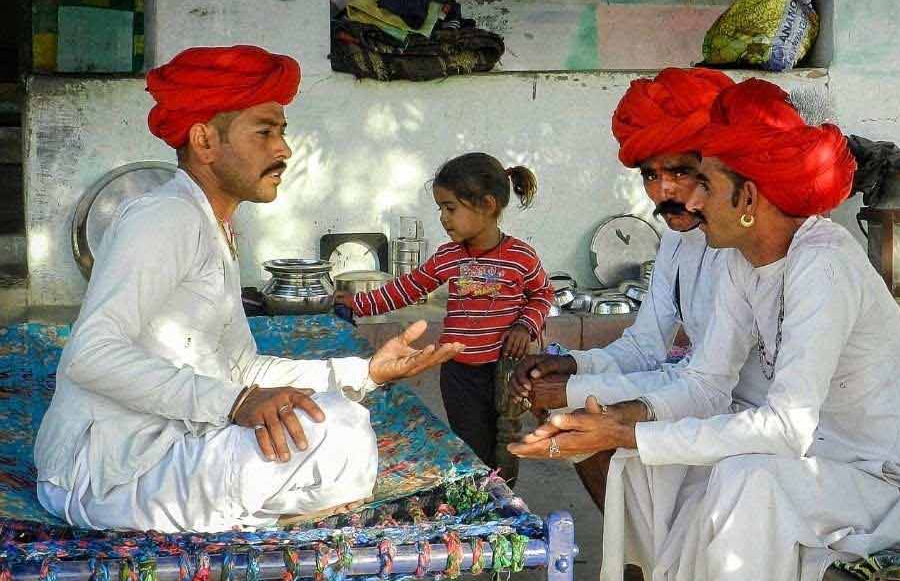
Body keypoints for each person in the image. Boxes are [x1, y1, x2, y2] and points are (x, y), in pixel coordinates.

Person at [33, 45, 463, 533]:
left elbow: (241, 370)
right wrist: (233, 404)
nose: (283, 150)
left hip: (174, 447)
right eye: (264, 132)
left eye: (281, 133)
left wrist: (364, 371)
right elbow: (89, 355)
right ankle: (268, 519)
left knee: (342, 419)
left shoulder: (213, 224)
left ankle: (263, 517)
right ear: (205, 141)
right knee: (338, 437)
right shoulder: (165, 217)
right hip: (107, 475)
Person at [510, 78, 900, 581]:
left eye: (704, 186)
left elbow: (787, 427)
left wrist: (628, 428)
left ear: (748, 198)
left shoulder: (822, 265)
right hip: (793, 454)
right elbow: (705, 384)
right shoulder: (744, 260)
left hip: (870, 474)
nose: (690, 203)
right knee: (643, 463)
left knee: (746, 480)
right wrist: (610, 421)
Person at [509, 68, 767, 509]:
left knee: (580, 416)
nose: (663, 190)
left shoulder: (744, 247)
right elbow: (646, 347)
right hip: (705, 395)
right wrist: (568, 366)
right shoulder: (674, 242)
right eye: (650, 174)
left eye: (681, 171)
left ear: (715, 170)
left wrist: (581, 396)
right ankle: (637, 560)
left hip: (746, 416)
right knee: (563, 408)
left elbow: (706, 387)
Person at [336, 152, 554, 473]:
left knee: (506, 443)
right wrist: (359, 303)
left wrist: (525, 326)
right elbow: (408, 288)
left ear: (487, 205)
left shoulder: (520, 256)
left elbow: (542, 293)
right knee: (469, 445)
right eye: (441, 209)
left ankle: (502, 502)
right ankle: (480, 497)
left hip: (506, 369)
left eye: (450, 208)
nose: (443, 218)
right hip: (459, 373)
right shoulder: (448, 256)